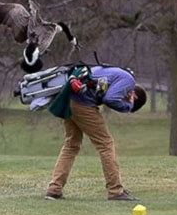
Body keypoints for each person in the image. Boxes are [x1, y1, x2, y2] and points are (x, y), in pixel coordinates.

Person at [45, 66, 147, 201]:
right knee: (106, 144)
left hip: (69, 100)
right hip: (83, 104)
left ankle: (54, 189)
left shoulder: (113, 71)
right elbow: (110, 99)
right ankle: (115, 190)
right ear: (133, 95)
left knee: (71, 145)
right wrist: (128, 106)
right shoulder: (129, 81)